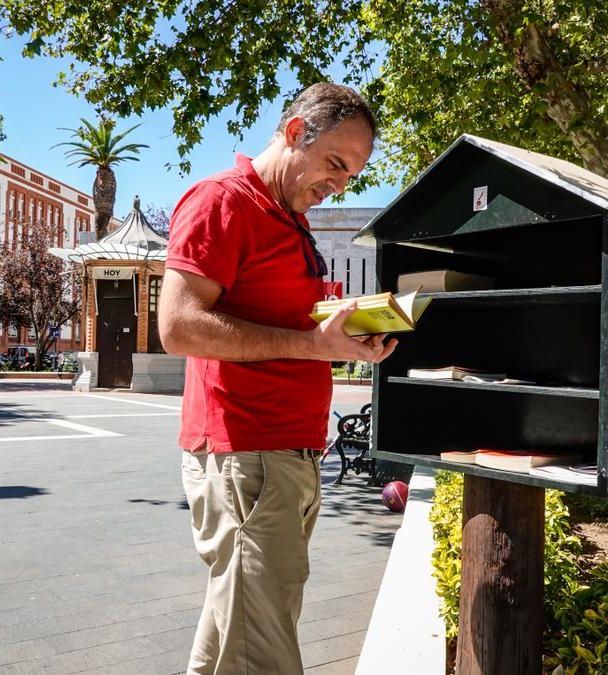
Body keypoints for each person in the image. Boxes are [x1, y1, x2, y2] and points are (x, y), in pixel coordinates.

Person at [159, 83, 396, 675]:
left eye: (352, 175)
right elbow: (179, 326)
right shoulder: (223, 201)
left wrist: (344, 334)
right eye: (334, 164)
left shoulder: (290, 217)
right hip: (249, 453)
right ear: (294, 133)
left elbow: (282, 321)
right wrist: (313, 345)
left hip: (284, 452)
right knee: (262, 649)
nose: (339, 184)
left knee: (237, 630)